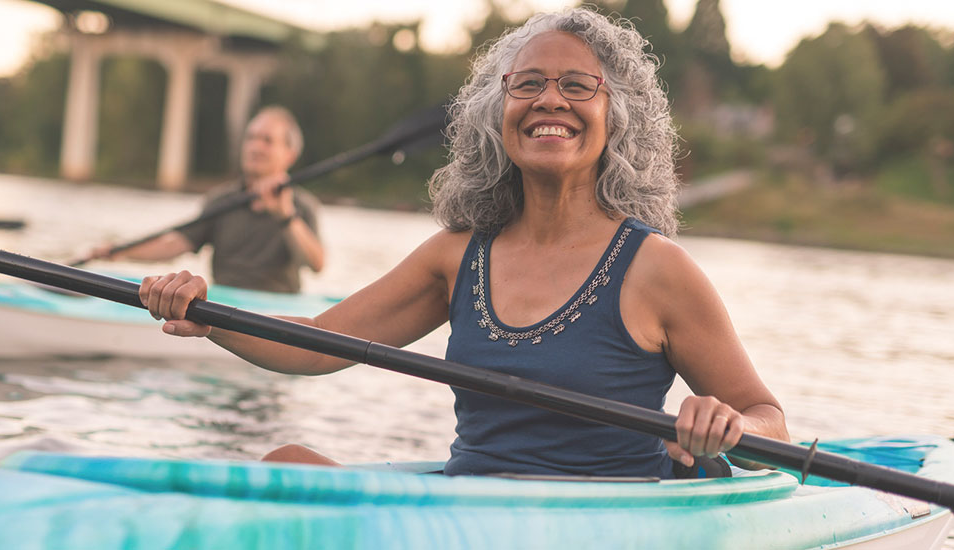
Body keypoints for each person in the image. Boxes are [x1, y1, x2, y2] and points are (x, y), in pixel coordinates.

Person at [138, 8, 789, 478]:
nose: (549, 100)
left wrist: (728, 427)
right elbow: (312, 344)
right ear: (494, 112)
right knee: (284, 466)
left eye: (576, 85)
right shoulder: (456, 255)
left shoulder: (658, 269)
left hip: (596, 520)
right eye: (527, 83)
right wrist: (205, 312)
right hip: (467, 515)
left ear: (616, 115)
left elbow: (768, 417)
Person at [95, 106, 325, 294]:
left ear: (290, 155)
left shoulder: (302, 205)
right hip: (225, 303)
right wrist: (121, 251)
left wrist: (285, 216)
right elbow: (175, 244)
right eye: (251, 138)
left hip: (278, 310)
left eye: (267, 140)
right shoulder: (221, 199)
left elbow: (316, 264)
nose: (256, 147)